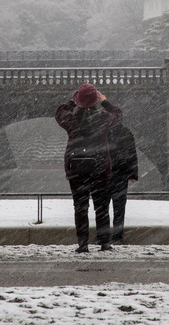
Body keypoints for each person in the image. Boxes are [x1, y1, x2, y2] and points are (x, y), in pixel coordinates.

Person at [55, 83, 123, 253]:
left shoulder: (71, 120)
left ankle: (83, 243)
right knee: (101, 207)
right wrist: (105, 102)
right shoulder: (103, 119)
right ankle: (104, 242)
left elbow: (59, 114)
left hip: (76, 169)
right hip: (99, 168)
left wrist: (72, 102)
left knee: (80, 207)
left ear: (78, 100)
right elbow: (118, 115)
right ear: (96, 100)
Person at [107, 124, 139, 245]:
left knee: (118, 208)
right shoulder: (103, 130)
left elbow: (131, 151)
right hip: (107, 174)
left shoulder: (124, 132)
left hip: (118, 174)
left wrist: (133, 173)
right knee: (104, 208)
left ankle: (116, 237)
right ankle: (106, 236)